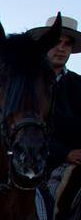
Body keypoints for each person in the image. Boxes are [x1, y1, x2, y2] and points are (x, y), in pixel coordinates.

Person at [28, 15, 81, 174]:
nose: (61, 48)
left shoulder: (78, 83)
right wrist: (64, 153)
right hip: (33, 161)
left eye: (67, 43)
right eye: (56, 41)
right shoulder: (26, 82)